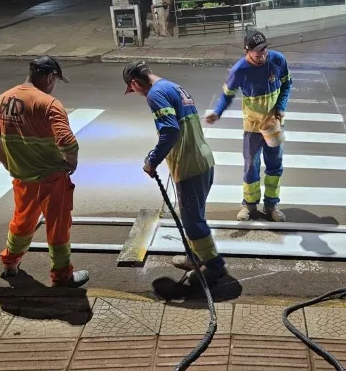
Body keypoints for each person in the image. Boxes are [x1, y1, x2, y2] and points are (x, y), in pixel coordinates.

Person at [0, 56, 89, 287]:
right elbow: (68, 142)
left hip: (23, 177)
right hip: (50, 176)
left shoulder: (3, 99)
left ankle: (10, 263)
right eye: (56, 80)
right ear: (50, 76)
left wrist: (8, 163)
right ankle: (62, 276)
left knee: (22, 221)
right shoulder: (48, 103)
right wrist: (71, 163)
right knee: (58, 225)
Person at [123, 61, 227, 283]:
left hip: (189, 165)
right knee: (195, 215)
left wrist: (152, 161)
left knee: (192, 221)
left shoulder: (155, 94)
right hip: (203, 159)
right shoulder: (173, 86)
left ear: (135, 83)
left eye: (134, 90)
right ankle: (195, 257)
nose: (139, 94)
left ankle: (213, 266)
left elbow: (170, 130)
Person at [205, 30, 291, 222]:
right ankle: (249, 206)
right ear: (247, 50)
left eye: (265, 50)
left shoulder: (277, 60)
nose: (263, 55)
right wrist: (217, 112)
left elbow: (287, 85)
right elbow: (227, 94)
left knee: (275, 166)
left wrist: (281, 107)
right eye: (258, 52)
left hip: (274, 123)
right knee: (251, 166)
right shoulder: (240, 70)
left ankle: (271, 205)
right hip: (252, 125)